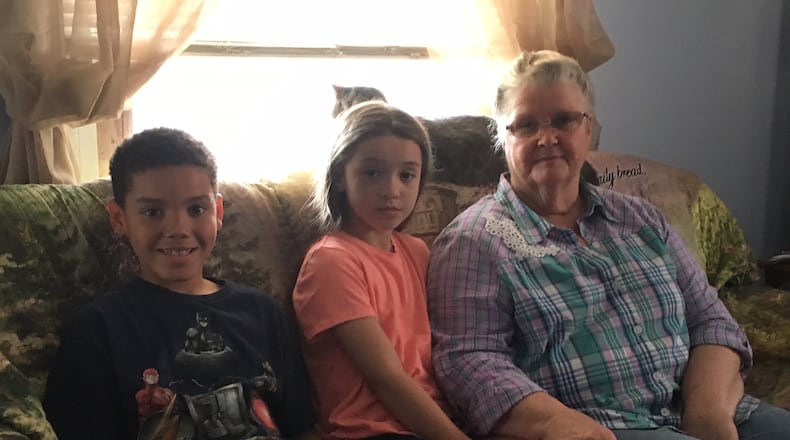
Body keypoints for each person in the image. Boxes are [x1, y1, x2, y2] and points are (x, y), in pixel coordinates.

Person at [426, 50, 790, 440]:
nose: (546, 138)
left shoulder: (641, 217)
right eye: (526, 125)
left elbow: (711, 320)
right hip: (598, 428)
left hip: (707, 410)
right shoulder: (473, 240)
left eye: (564, 120)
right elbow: (469, 360)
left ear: (589, 129)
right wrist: (555, 423)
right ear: (503, 138)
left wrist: (708, 416)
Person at [43, 127, 317, 440]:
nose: (178, 228)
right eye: (153, 212)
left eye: (196, 209)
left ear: (218, 212)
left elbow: (301, 427)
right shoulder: (98, 331)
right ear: (119, 219)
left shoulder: (261, 312)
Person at [292, 101, 469, 440]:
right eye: (372, 173)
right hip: (369, 429)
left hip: (433, 418)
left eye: (407, 175)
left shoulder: (416, 251)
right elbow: (387, 379)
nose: (392, 190)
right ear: (341, 176)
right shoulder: (331, 261)